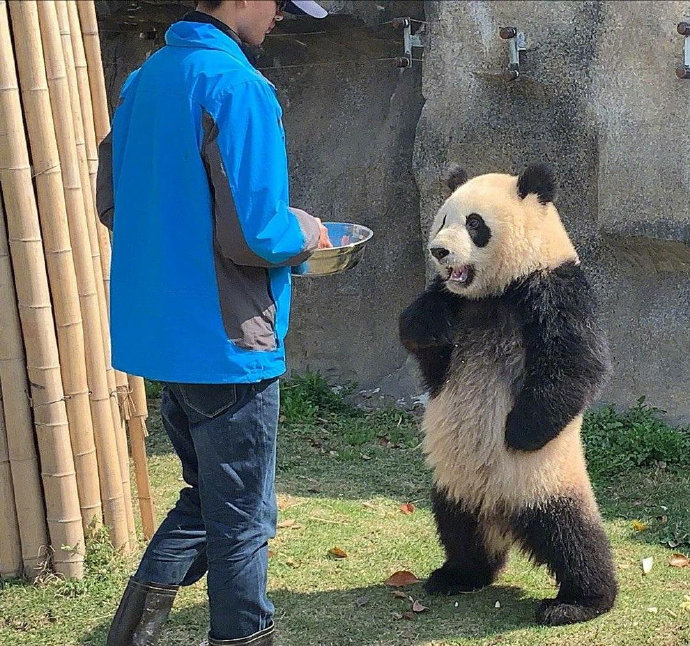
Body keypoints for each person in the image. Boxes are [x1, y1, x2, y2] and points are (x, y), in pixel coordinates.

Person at [96, 2, 331, 645]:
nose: (281, 16)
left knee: (208, 501)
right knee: (244, 521)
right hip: (227, 345)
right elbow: (256, 233)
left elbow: (113, 203)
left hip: (165, 337)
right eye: (280, 3)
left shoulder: (145, 80)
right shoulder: (238, 87)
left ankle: (130, 634)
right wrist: (307, 232)